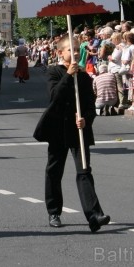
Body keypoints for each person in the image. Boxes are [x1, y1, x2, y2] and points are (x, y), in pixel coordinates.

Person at [33, 35, 110, 232]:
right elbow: (55, 97)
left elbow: (91, 106)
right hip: (58, 129)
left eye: (77, 50)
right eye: (71, 50)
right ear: (60, 53)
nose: (76, 53)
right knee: (54, 171)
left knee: (84, 171)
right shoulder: (54, 73)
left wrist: (86, 119)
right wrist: (68, 75)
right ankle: (54, 211)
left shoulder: (84, 77)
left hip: (78, 131)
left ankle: (94, 215)